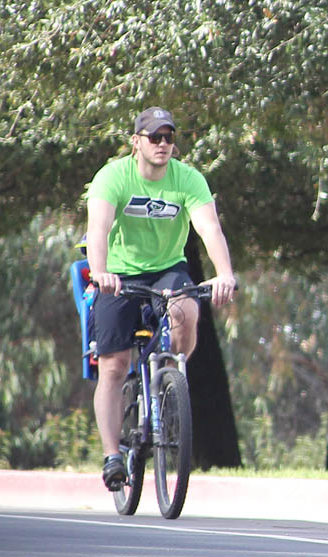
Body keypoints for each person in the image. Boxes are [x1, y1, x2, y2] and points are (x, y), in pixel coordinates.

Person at [85, 106, 237, 491]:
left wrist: (225, 274)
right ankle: (112, 456)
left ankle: (169, 378)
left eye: (168, 137)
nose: (163, 144)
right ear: (136, 142)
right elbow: (98, 228)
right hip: (118, 273)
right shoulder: (113, 177)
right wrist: (101, 273)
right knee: (114, 366)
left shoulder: (188, 179)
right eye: (155, 137)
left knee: (187, 309)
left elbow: (209, 229)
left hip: (167, 269)